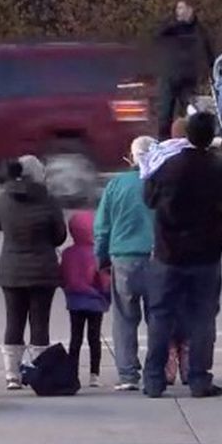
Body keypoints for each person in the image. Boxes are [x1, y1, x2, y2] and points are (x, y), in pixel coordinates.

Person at [142, 112, 222, 399]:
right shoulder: (221, 169)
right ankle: (199, 378)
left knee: (160, 315)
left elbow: (149, 198)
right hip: (206, 253)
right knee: (203, 317)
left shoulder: (168, 167)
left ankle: (154, 379)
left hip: (168, 253)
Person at [0, 155, 66, 390]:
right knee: (40, 322)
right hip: (43, 270)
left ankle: (12, 374)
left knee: (14, 321)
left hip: (11, 269)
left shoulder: (4, 199)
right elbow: (59, 235)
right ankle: (38, 371)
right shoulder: (48, 200)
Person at [93, 136, 157, 391]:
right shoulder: (160, 184)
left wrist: (101, 258)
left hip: (123, 258)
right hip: (157, 258)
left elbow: (102, 227)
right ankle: (156, 371)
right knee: (158, 318)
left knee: (124, 318)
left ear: (130, 157)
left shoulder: (116, 185)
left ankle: (128, 374)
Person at [60, 210, 110, 388]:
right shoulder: (97, 253)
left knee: (76, 339)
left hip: (75, 302)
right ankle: (94, 374)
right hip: (96, 303)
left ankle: (73, 371)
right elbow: (104, 280)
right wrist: (106, 297)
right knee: (94, 338)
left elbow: (63, 277)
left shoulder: (67, 254)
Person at [154, 1, 215, 139]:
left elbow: (209, 51)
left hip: (189, 77)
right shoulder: (170, 28)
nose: (179, 11)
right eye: (177, 8)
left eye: (182, 8)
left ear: (190, 9)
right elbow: (157, 35)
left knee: (189, 112)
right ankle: (163, 142)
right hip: (170, 75)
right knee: (165, 113)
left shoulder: (199, 30)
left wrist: (211, 70)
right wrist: (175, 23)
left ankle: (187, 141)